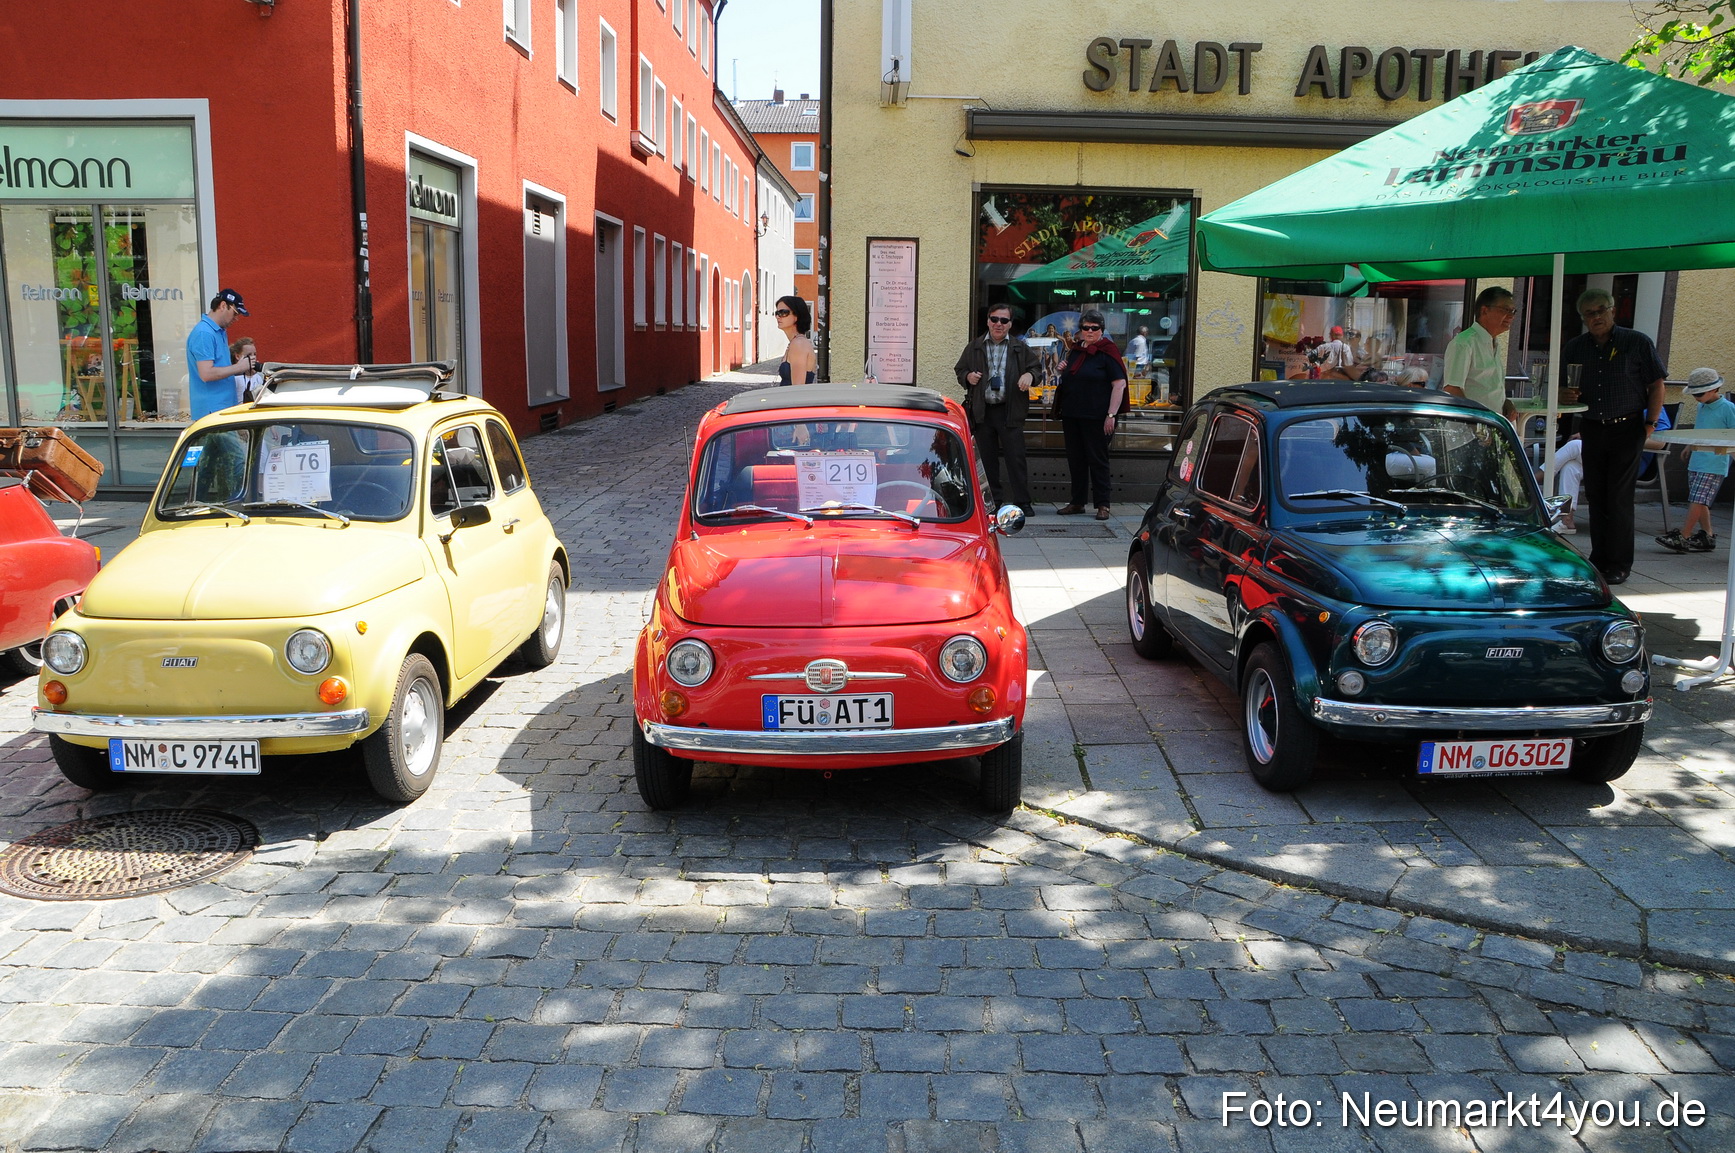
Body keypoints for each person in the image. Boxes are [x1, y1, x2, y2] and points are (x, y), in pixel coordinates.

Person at [1563, 287, 1667, 585]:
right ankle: (1600, 558)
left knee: (1619, 497)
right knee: (1596, 494)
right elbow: (1560, 386)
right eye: (1588, 314)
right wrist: (1564, 393)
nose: (1595, 317)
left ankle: (1620, 563)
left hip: (1628, 427)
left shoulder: (1636, 342)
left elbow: (1657, 383)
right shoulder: (1576, 347)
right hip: (1592, 427)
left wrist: (1650, 424)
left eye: (1600, 310)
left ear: (1612, 309)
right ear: (1582, 318)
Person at [954, 304, 1040, 516]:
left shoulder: (1020, 348)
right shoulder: (974, 347)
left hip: (1010, 410)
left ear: (1010, 324)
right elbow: (960, 369)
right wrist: (967, 377)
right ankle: (993, 503)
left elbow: (1036, 368)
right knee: (987, 460)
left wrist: (1029, 376)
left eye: (1003, 320)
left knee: (1016, 458)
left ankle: (1023, 502)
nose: (998, 324)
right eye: (994, 319)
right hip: (983, 411)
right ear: (987, 321)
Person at [1053, 309, 1127, 521]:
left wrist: (1111, 415)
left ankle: (1103, 504)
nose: (1090, 331)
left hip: (1097, 416)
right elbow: (1069, 375)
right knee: (1076, 459)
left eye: (1094, 328)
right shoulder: (1076, 350)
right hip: (1073, 414)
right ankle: (1077, 502)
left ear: (1101, 330)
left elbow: (1119, 385)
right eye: (1086, 328)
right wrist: (1061, 369)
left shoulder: (1107, 351)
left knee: (1098, 460)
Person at [1659, 368, 1735, 554]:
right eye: (1694, 394)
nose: (1696, 398)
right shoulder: (1702, 406)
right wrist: (1689, 445)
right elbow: (1700, 428)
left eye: (1699, 393)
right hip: (1698, 459)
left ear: (1714, 389)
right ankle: (1707, 534)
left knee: (1697, 499)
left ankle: (1684, 535)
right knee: (1700, 499)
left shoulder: (1728, 408)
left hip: (1715, 461)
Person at [1442, 286, 1519, 423]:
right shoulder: (1464, 343)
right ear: (1485, 310)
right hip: (1471, 431)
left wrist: (1505, 402)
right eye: (1505, 310)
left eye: (1513, 311)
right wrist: (1475, 425)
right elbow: (1452, 390)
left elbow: (1485, 389)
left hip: (1492, 427)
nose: (1511, 316)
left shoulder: (1493, 343)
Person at [186, 288, 256, 419]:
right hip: (212, 412)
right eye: (235, 313)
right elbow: (206, 374)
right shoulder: (204, 333)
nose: (236, 318)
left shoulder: (218, 331)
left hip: (221, 410)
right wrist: (240, 367)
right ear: (223, 306)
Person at [775, 296, 816, 385]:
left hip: (792, 398)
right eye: (777, 313)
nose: (778, 316)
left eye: (783, 312)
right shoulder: (795, 342)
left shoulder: (799, 344)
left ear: (797, 316)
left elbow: (797, 388)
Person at [230, 337, 264, 404]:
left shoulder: (259, 377)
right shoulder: (234, 378)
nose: (253, 357)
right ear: (237, 356)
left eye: (254, 354)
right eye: (249, 355)